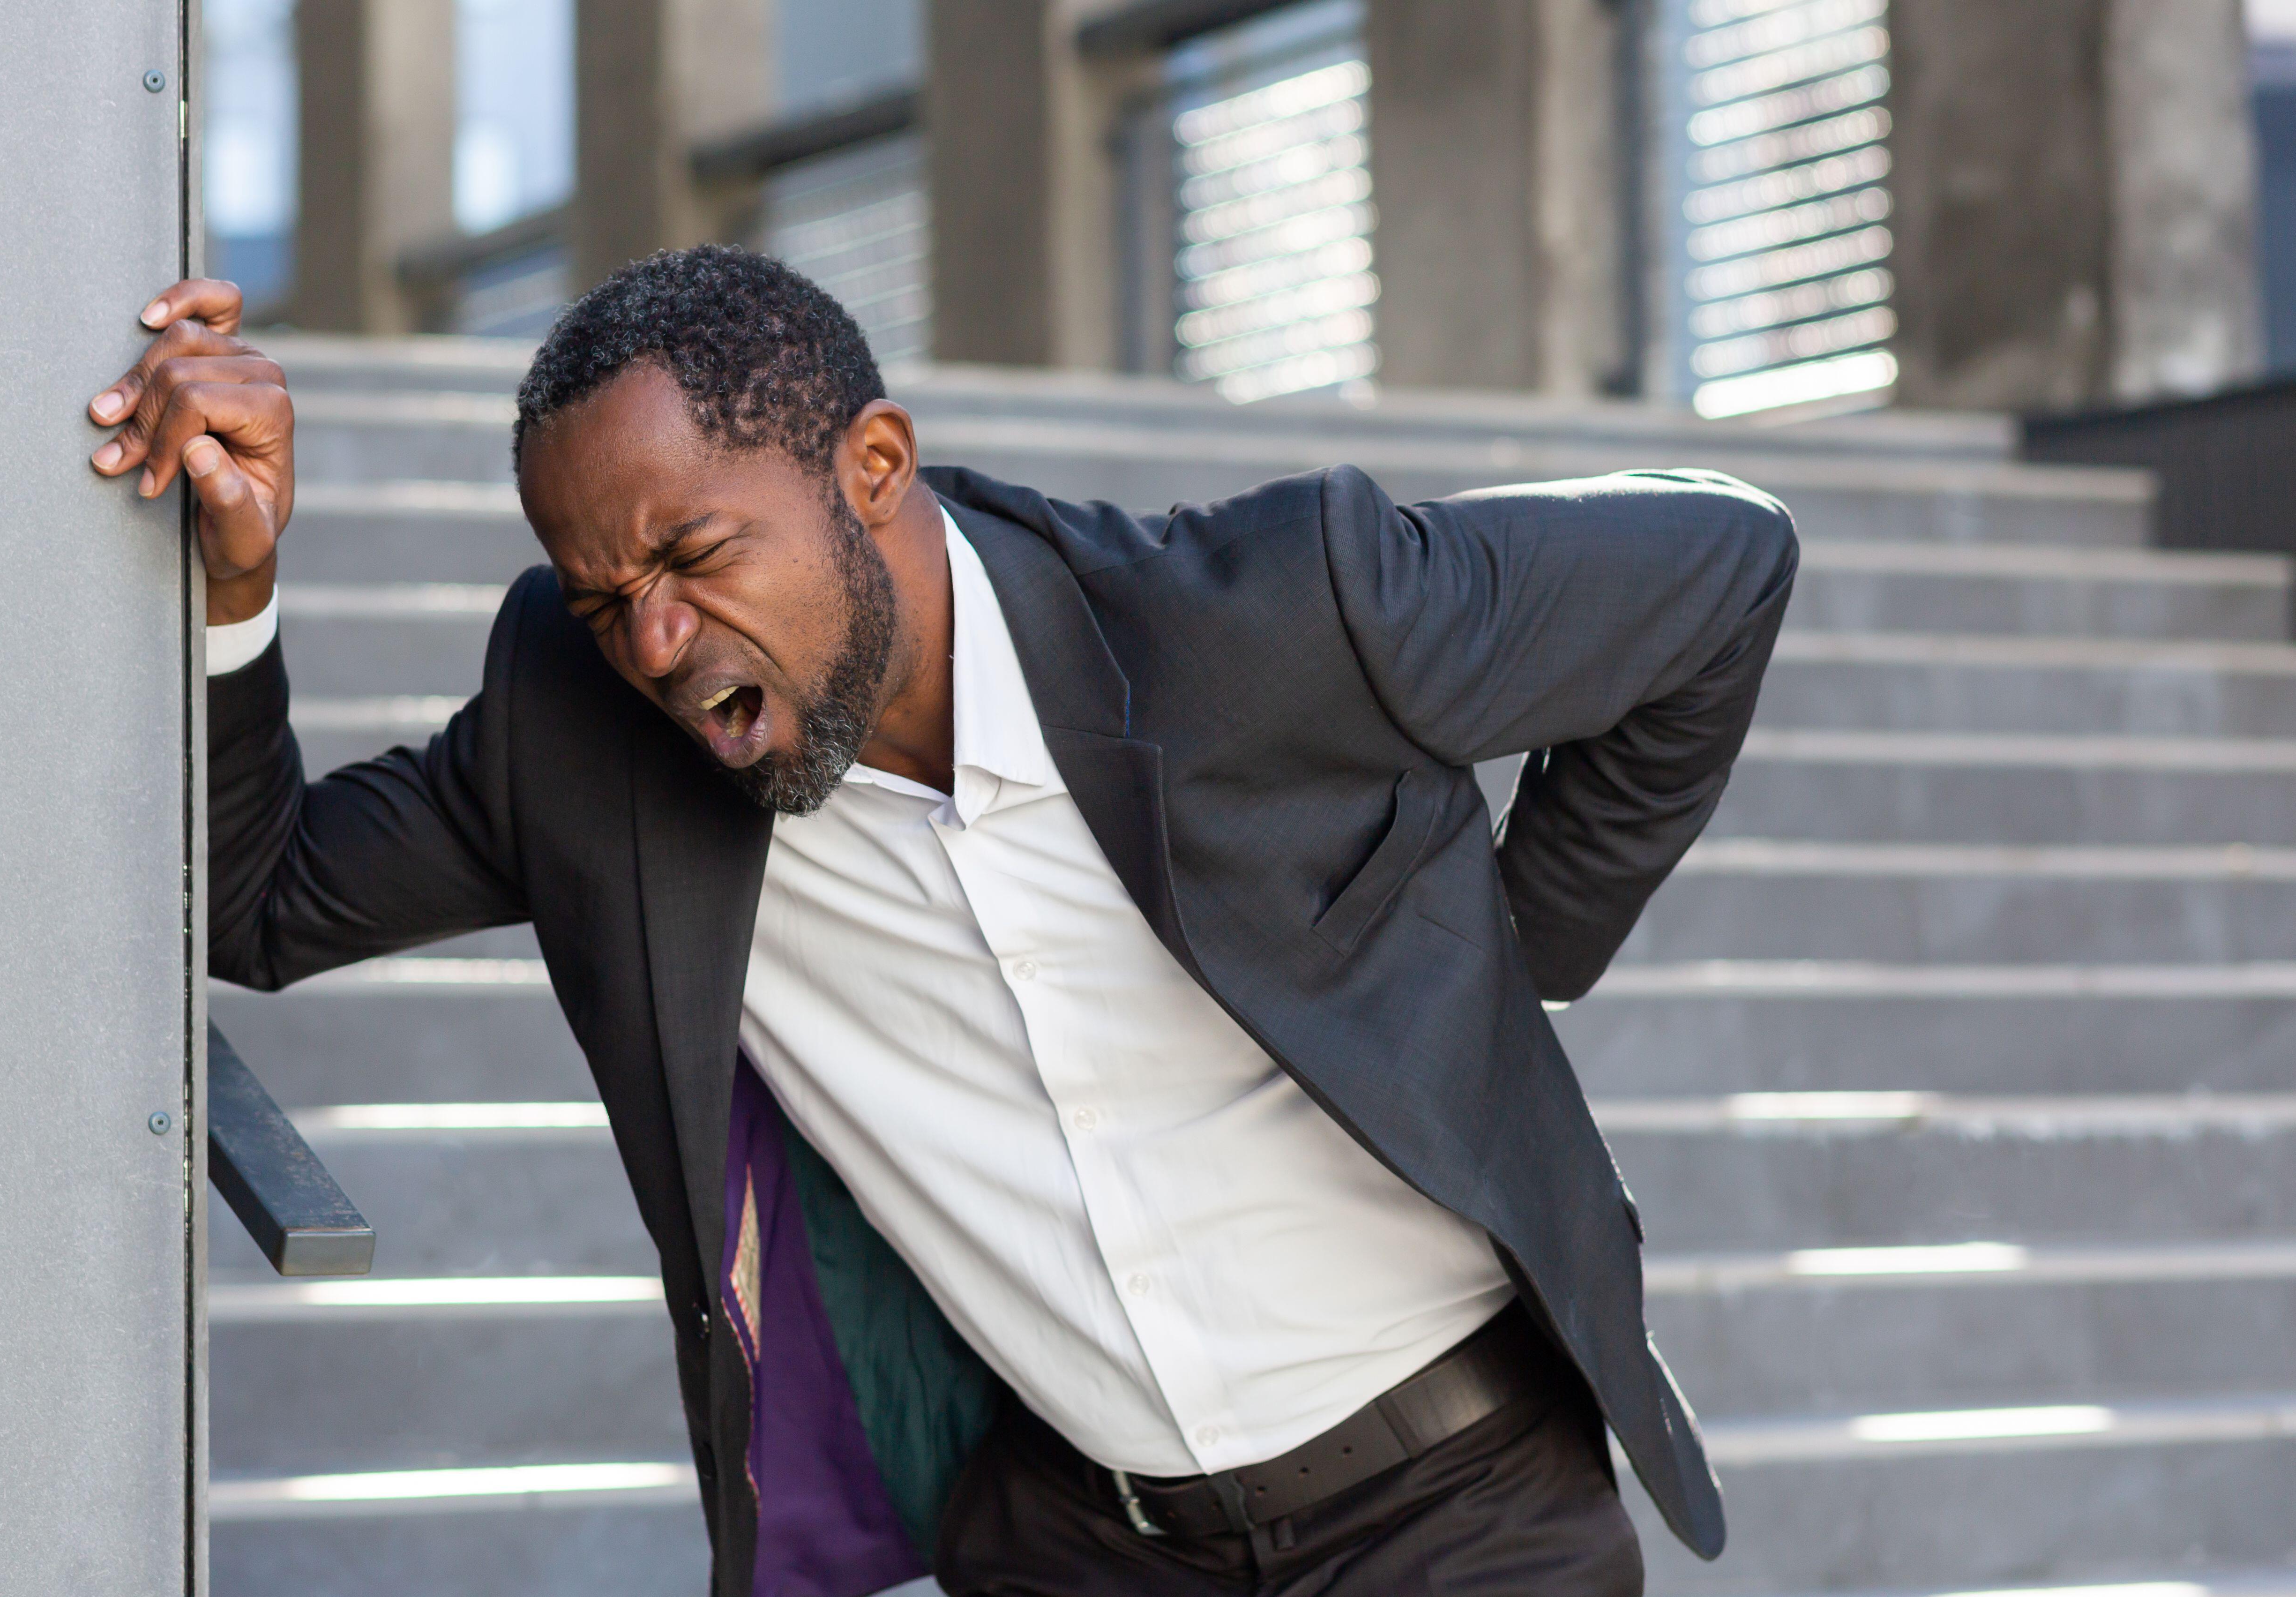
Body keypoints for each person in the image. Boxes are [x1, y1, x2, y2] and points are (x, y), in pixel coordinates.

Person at [89, 248, 1794, 1597]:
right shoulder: (591, 730)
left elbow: (1723, 567)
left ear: (875, 466)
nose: (660, 645)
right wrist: (238, 585)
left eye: (695, 554)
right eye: (610, 601)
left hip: (1461, 1506)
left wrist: (1516, 953)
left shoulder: (1268, 616)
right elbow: (262, 898)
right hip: (1072, 1537)